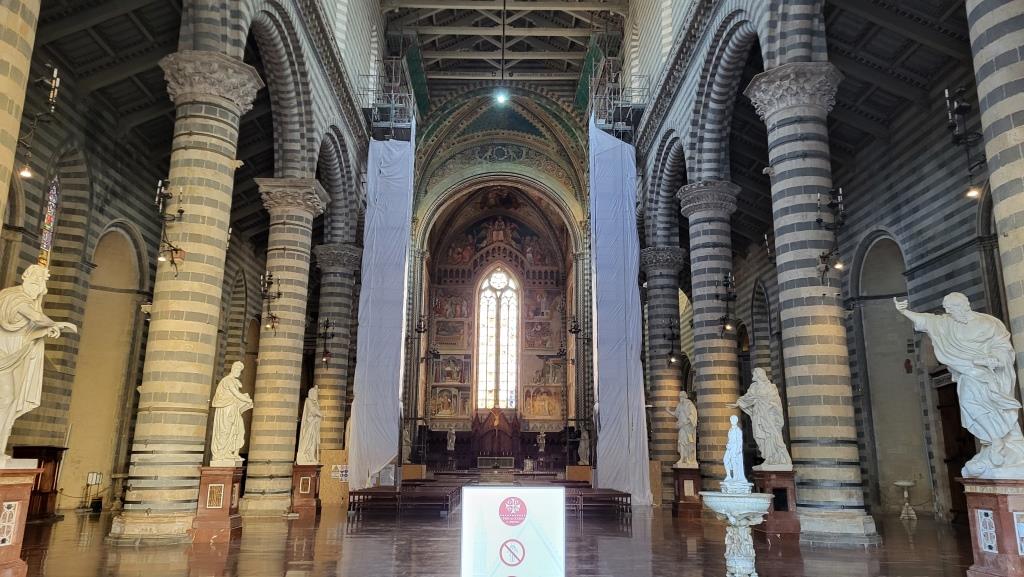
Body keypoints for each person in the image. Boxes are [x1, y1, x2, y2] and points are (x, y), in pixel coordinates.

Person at [896, 294, 1024, 477]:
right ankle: (995, 439)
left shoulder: (988, 323)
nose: (948, 312)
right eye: (946, 309)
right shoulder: (947, 323)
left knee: (995, 406)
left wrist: (994, 359)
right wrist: (904, 311)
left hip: (989, 374)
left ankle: (1003, 441)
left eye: (951, 308)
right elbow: (927, 321)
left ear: (965, 305)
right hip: (968, 373)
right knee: (969, 404)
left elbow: (1002, 346)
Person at [0, 265, 76, 460]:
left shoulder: (30, 301)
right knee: (6, 399)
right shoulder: (12, 297)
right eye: (35, 281)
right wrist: (54, 324)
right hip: (3, 355)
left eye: (41, 282)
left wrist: (46, 331)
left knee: (10, 402)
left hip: (17, 354)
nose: (38, 286)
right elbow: (35, 317)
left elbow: (27, 335)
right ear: (25, 277)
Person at [729, 368, 791, 468]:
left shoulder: (770, 387)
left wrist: (769, 405)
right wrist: (738, 403)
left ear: (759, 375)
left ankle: (776, 458)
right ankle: (769, 458)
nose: (753, 375)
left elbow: (776, 402)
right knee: (759, 436)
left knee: (771, 436)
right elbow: (747, 398)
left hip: (769, 416)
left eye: (754, 373)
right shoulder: (753, 387)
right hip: (758, 415)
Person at [210, 361, 253, 464]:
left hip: (233, 409)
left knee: (238, 430)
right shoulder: (227, 380)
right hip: (226, 410)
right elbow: (236, 394)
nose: (239, 373)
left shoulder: (234, 381)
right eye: (239, 370)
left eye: (241, 371)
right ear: (234, 369)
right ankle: (221, 454)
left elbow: (236, 395)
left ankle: (232, 453)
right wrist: (247, 399)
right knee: (225, 430)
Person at [665, 392, 698, 467]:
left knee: (687, 442)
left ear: (685, 397)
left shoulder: (689, 405)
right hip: (682, 427)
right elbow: (676, 414)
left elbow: (693, 415)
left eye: (681, 397)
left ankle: (688, 459)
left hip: (688, 427)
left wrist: (686, 422)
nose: (680, 399)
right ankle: (682, 458)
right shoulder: (679, 405)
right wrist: (668, 411)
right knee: (681, 442)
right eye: (679, 397)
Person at [296, 386, 323, 465]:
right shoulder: (308, 401)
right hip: (309, 425)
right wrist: (321, 414)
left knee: (313, 441)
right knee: (309, 441)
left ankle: (311, 456)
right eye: (316, 393)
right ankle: (306, 454)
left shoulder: (315, 403)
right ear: (312, 393)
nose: (316, 395)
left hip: (314, 425)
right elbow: (313, 410)